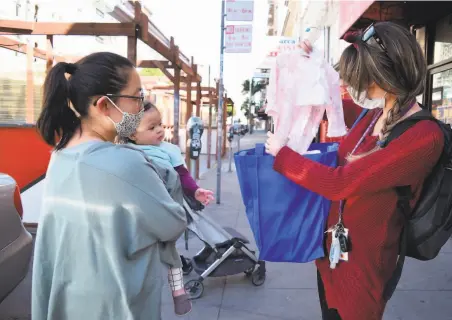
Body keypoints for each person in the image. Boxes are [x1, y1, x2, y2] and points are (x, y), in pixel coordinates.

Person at [266, 22, 444, 320]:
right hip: (332, 254)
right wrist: (310, 66)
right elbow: (324, 102)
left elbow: (341, 183)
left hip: (364, 267)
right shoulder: (371, 114)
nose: (354, 88)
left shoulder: (424, 137)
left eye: (363, 80)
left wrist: (283, 156)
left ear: (388, 75)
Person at [32, 52, 187, 320]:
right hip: (116, 305)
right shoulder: (125, 163)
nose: (142, 107)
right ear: (104, 106)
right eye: (137, 97)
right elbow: (173, 222)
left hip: (70, 301)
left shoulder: (60, 155)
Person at [121, 101, 214, 315]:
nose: (160, 130)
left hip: (166, 209)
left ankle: (179, 293)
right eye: (152, 128)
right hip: (139, 210)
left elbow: (183, 175)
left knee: (170, 251)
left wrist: (196, 191)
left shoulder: (169, 150)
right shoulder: (125, 150)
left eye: (160, 124)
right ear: (133, 135)